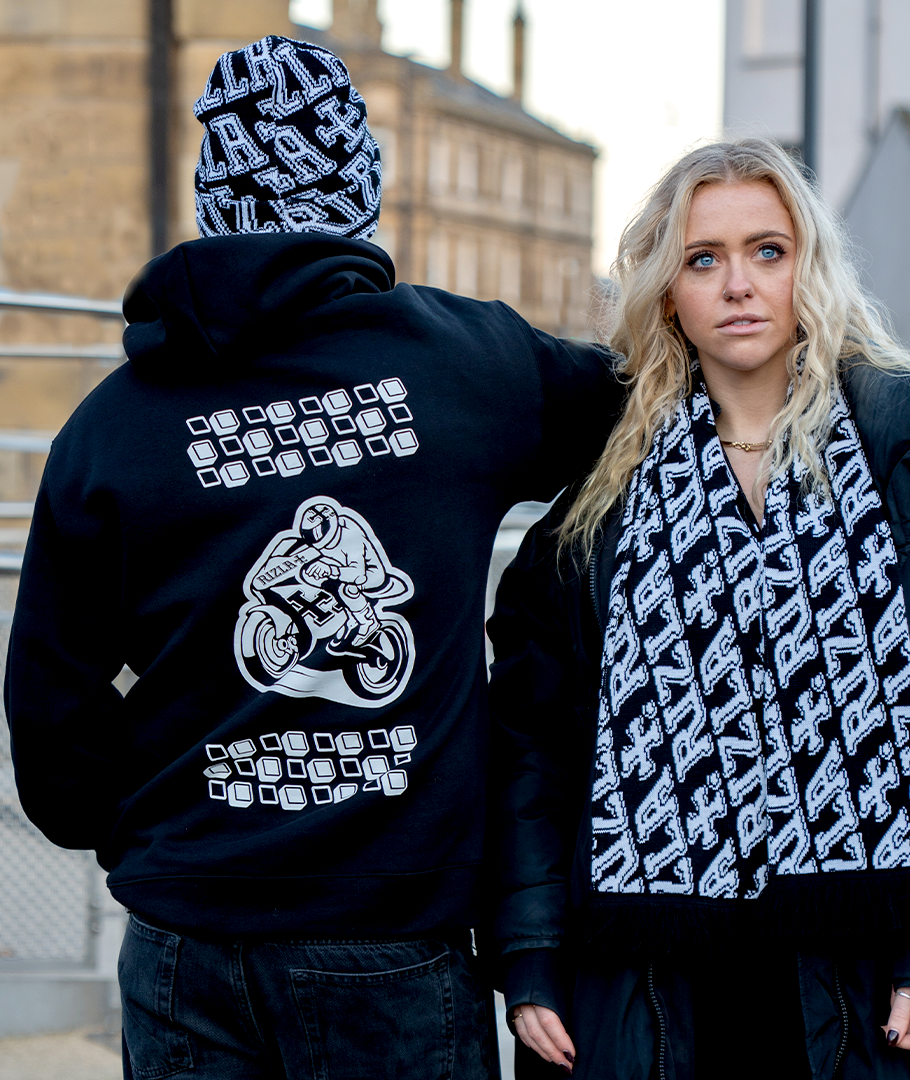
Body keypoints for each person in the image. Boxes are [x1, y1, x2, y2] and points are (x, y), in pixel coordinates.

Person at [4, 36, 623, 1080]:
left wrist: (151, 832)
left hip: (183, 932)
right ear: (362, 187)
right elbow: (655, 410)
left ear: (212, 193)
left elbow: (50, 713)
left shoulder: (111, 427)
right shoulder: (470, 365)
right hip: (391, 932)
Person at [486, 139, 910, 1079]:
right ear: (666, 293)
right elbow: (533, 744)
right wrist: (531, 952)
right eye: (702, 259)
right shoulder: (599, 504)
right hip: (640, 987)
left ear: (812, 268)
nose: (738, 285)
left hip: (859, 981)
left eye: (768, 250)